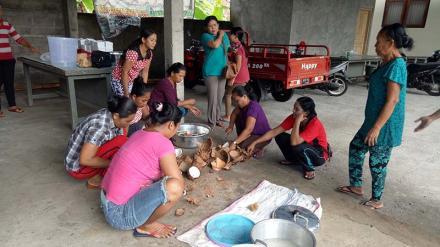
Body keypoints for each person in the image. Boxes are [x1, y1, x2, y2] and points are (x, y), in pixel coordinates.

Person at [337, 23, 413, 209]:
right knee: (356, 147)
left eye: (379, 42)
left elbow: (393, 100)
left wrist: (377, 127)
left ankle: (377, 199)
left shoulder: (397, 65)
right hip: (371, 121)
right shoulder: (387, 62)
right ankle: (356, 186)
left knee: (377, 162)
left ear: (390, 42)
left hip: (385, 125)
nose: (375, 46)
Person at [101, 102, 184, 238]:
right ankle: (145, 226)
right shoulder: (164, 144)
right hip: (120, 216)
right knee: (175, 187)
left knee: (165, 179)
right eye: (177, 126)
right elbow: (178, 182)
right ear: (171, 125)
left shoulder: (139, 133)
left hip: (106, 202)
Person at [248, 97, 329, 180]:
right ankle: (293, 160)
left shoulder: (315, 124)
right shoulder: (293, 117)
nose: (293, 111)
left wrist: (297, 121)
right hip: (304, 145)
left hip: (319, 155)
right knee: (280, 136)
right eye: (294, 107)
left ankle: (309, 168)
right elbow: (274, 132)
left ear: (306, 113)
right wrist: (255, 143)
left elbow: (294, 142)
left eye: (297, 109)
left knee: (298, 146)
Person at [64, 97, 137, 188]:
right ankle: (100, 177)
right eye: (127, 121)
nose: (128, 124)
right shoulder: (100, 126)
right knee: (121, 143)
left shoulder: (111, 115)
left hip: (87, 157)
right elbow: (85, 159)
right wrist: (113, 163)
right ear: (116, 116)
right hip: (77, 169)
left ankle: (105, 171)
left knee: (123, 143)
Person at [0, 4, 39, 117]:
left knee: (9, 83)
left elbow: (19, 39)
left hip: (8, 60)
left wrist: (30, 46)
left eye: (0, 9)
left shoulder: (7, 25)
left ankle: (12, 105)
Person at [201, 15, 230, 127]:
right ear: (206, 28)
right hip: (210, 72)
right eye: (210, 26)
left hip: (222, 71)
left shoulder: (225, 37)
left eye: (214, 25)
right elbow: (215, 45)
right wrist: (221, 34)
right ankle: (211, 122)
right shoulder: (205, 36)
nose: (213, 28)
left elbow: (227, 50)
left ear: (218, 25)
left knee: (219, 97)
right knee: (212, 99)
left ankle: (217, 119)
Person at [225, 85, 271, 156]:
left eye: (237, 101)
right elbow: (234, 113)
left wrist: (235, 143)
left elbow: (249, 129)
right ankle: (243, 139)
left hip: (262, 136)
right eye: (234, 101)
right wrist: (230, 126)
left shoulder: (253, 108)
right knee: (238, 117)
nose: (236, 103)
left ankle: (259, 148)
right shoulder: (242, 105)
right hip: (252, 133)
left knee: (241, 149)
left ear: (244, 97)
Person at [111, 29, 157, 97]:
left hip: (131, 80)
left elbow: (145, 72)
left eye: (155, 40)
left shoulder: (149, 53)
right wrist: (126, 92)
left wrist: (143, 89)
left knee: (137, 99)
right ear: (143, 40)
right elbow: (124, 72)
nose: (154, 43)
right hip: (119, 80)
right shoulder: (133, 53)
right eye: (152, 40)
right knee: (126, 101)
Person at [222, 27, 250, 122]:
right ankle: (244, 116)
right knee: (241, 97)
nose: (229, 35)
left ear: (235, 36)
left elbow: (238, 66)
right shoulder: (239, 46)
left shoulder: (238, 49)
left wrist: (232, 79)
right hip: (243, 76)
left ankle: (228, 116)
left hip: (238, 77)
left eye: (231, 34)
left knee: (228, 95)